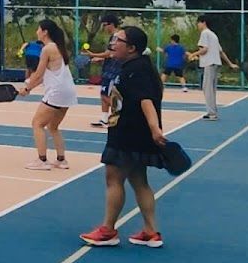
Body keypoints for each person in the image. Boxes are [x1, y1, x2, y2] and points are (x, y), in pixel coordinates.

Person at [80, 25, 169, 248]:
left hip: (128, 133)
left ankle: (108, 230)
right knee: (139, 180)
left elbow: (146, 100)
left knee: (113, 178)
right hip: (134, 132)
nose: (113, 43)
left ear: (131, 48)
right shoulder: (136, 67)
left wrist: (155, 128)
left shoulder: (136, 70)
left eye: (117, 40)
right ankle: (151, 231)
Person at [16, 19, 73, 171]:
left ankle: (42, 160)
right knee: (53, 126)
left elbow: (38, 73)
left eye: (38, 29)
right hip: (68, 92)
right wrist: (29, 87)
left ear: (45, 32)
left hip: (56, 92)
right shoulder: (59, 47)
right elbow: (43, 77)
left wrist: (26, 88)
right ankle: (61, 160)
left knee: (37, 123)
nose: (37, 32)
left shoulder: (47, 49)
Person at [193, 15, 235, 122]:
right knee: (211, 88)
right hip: (215, 63)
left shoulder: (205, 33)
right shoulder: (213, 35)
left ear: (203, 22)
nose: (198, 25)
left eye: (198, 23)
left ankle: (212, 113)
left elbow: (204, 49)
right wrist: (230, 63)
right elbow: (221, 51)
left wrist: (193, 54)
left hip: (209, 63)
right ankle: (212, 112)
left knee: (207, 88)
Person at [89, 14, 121, 127]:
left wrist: (93, 54)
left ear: (111, 24)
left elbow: (109, 53)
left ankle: (121, 114)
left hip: (113, 72)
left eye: (105, 25)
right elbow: (112, 55)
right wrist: (101, 58)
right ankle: (104, 119)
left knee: (106, 96)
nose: (104, 28)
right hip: (109, 70)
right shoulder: (114, 37)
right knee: (103, 94)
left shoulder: (116, 37)